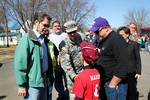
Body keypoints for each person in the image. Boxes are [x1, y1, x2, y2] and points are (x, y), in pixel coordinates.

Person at [14, 13, 57, 100]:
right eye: (44, 25)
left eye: (48, 26)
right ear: (36, 22)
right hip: (32, 85)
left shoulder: (44, 40)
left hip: (44, 81)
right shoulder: (27, 39)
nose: (47, 28)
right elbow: (20, 63)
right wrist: (21, 85)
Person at [89, 17, 128, 100]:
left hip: (114, 84)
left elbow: (123, 64)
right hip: (105, 82)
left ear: (106, 28)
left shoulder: (117, 39)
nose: (95, 33)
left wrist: (112, 84)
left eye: (97, 31)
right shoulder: (103, 39)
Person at [59, 20, 83, 99]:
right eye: (70, 32)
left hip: (82, 72)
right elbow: (65, 64)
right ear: (66, 32)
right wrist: (74, 76)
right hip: (72, 76)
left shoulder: (80, 37)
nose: (72, 34)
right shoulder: (64, 45)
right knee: (73, 96)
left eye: (74, 31)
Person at [117, 26, 142, 100]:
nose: (120, 37)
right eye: (119, 35)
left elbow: (138, 58)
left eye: (122, 35)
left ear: (127, 34)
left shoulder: (134, 44)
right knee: (122, 92)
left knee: (132, 91)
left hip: (132, 72)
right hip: (121, 72)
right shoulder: (118, 45)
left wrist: (138, 72)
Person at [48, 20, 68, 100]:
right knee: (57, 79)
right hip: (55, 61)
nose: (57, 27)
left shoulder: (65, 35)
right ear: (52, 27)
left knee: (67, 78)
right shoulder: (49, 37)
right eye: (55, 26)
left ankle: (68, 93)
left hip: (65, 60)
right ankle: (61, 94)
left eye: (58, 25)